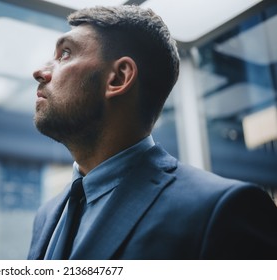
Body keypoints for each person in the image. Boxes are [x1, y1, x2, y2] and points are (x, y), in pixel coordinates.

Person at [27, 4, 277, 260]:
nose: (39, 72)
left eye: (65, 53)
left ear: (118, 78)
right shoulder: (46, 217)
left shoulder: (224, 211)